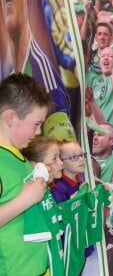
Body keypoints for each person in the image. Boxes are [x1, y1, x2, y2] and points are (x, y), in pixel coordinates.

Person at [0, 73, 51, 275]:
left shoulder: (17, 157)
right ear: (11, 118)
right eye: (36, 124)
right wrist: (24, 200)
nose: (39, 132)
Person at [22, 135, 64, 276]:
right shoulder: (31, 196)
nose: (61, 163)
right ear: (37, 165)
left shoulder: (47, 192)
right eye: (54, 158)